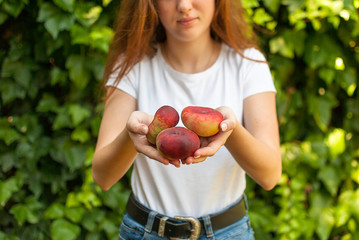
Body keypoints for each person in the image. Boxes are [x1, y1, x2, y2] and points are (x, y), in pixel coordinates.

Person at [92, 0, 282, 239]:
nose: (184, 5)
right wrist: (132, 137)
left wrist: (230, 131)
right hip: (144, 232)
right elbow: (102, 176)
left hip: (228, 232)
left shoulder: (247, 65)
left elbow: (270, 175)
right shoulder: (133, 64)